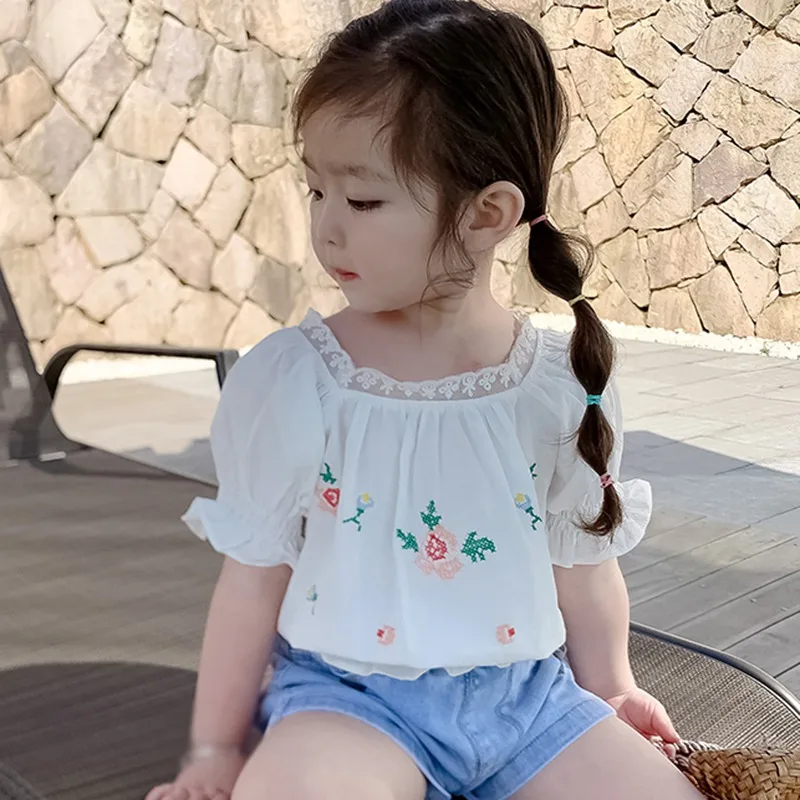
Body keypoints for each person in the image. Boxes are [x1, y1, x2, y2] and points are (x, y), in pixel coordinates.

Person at [146, 2, 706, 798]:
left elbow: (581, 560)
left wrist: (612, 687)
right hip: (350, 703)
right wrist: (213, 748)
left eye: (362, 201)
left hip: (530, 703)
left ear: (487, 214)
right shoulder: (300, 380)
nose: (326, 228)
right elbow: (253, 577)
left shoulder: (559, 381)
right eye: (316, 190)